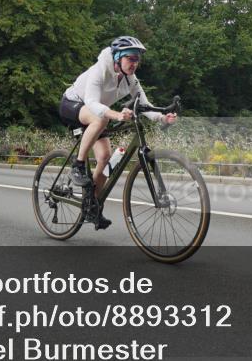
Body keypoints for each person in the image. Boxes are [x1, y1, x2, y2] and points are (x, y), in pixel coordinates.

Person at [59, 36, 178, 229]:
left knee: (105, 157)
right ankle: (78, 165)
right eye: (131, 58)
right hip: (73, 105)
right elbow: (91, 102)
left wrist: (162, 118)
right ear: (118, 58)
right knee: (102, 118)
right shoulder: (99, 71)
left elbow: (145, 105)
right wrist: (116, 115)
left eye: (137, 59)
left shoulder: (131, 80)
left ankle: (92, 206)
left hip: (97, 113)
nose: (135, 63)